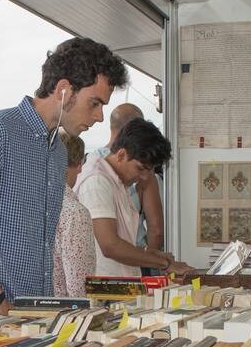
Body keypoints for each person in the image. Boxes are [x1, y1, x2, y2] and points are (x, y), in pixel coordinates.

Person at [0, 37, 126, 317]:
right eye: (95, 103)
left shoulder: (58, 152)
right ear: (64, 90)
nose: (100, 116)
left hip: (32, 316)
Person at [76, 118, 191, 277]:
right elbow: (110, 245)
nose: (144, 177)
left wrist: (152, 253)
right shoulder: (97, 182)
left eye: (148, 171)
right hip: (103, 291)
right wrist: (164, 264)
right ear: (122, 155)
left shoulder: (117, 182)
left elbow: (123, 240)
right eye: (141, 169)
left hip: (116, 286)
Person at [95, 102, 166, 255]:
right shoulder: (142, 164)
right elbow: (156, 229)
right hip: (136, 257)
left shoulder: (89, 162)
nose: (143, 175)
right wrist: (155, 263)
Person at [53, 131, 96, 297]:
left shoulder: (27, 204)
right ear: (80, 164)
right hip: (61, 316)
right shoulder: (74, 213)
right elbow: (79, 289)